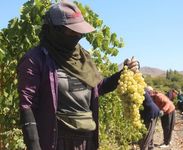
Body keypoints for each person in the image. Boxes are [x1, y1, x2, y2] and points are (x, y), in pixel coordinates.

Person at [17, 1, 139, 150]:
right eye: (72, 31)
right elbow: (27, 106)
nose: (78, 35)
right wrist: (34, 146)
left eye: (79, 31)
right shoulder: (36, 59)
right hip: (57, 142)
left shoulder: (83, 57)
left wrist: (123, 72)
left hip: (87, 140)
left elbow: (99, 87)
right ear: (55, 30)